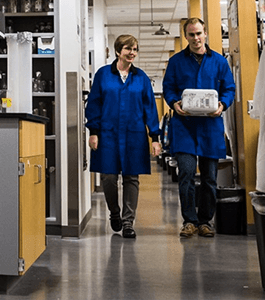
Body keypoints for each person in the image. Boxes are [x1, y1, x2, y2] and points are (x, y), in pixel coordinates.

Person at [162, 18, 236, 238]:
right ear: (186, 36)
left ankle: (205, 221)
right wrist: (174, 102)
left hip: (210, 127)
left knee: (209, 177)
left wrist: (222, 104)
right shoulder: (176, 62)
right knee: (185, 173)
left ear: (206, 34)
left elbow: (229, 89)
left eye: (199, 34)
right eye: (191, 34)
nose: (196, 38)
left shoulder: (220, 62)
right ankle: (189, 220)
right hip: (184, 127)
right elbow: (168, 88)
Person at [85, 34, 162, 239]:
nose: (132, 53)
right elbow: (94, 104)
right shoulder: (103, 75)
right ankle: (114, 212)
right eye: (128, 48)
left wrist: (154, 137)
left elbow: (150, 109)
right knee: (108, 177)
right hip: (107, 133)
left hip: (134, 134)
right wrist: (93, 132)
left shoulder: (141, 78)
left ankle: (128, 222)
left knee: (131, 177)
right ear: (118, 51)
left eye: (135, 49)